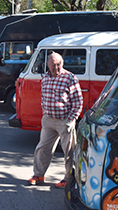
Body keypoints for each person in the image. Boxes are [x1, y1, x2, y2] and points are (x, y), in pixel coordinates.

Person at [27, 52, 83, 189]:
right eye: (53, 65)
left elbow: (78, 102)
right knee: (42, 148)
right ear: (48, 65)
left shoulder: (70, 78)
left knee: (69, 152)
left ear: (62, 64)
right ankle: (38, 174)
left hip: (64, 120)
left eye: (58, 64)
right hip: (48, 120)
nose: (56, 67)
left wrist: (70, 120)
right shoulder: (45, 78)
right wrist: (45, 114)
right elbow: (43, 97)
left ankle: (69, 179)